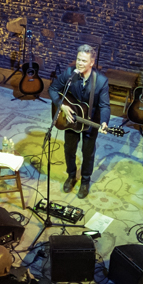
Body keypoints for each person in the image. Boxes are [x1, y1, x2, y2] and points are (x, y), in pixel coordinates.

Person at [48, 44, 110, 198]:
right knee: (69, 149)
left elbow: (105, 106)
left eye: (83, 61)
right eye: (78, 59)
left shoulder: (101, 81)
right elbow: (53, 89)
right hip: (70, 119)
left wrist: (104, 122)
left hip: (90, 120)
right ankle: (71, 176)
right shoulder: (70, 73)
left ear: (91, 63)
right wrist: (61, 106)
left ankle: (85, 181)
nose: (80, 63)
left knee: (87, 152)